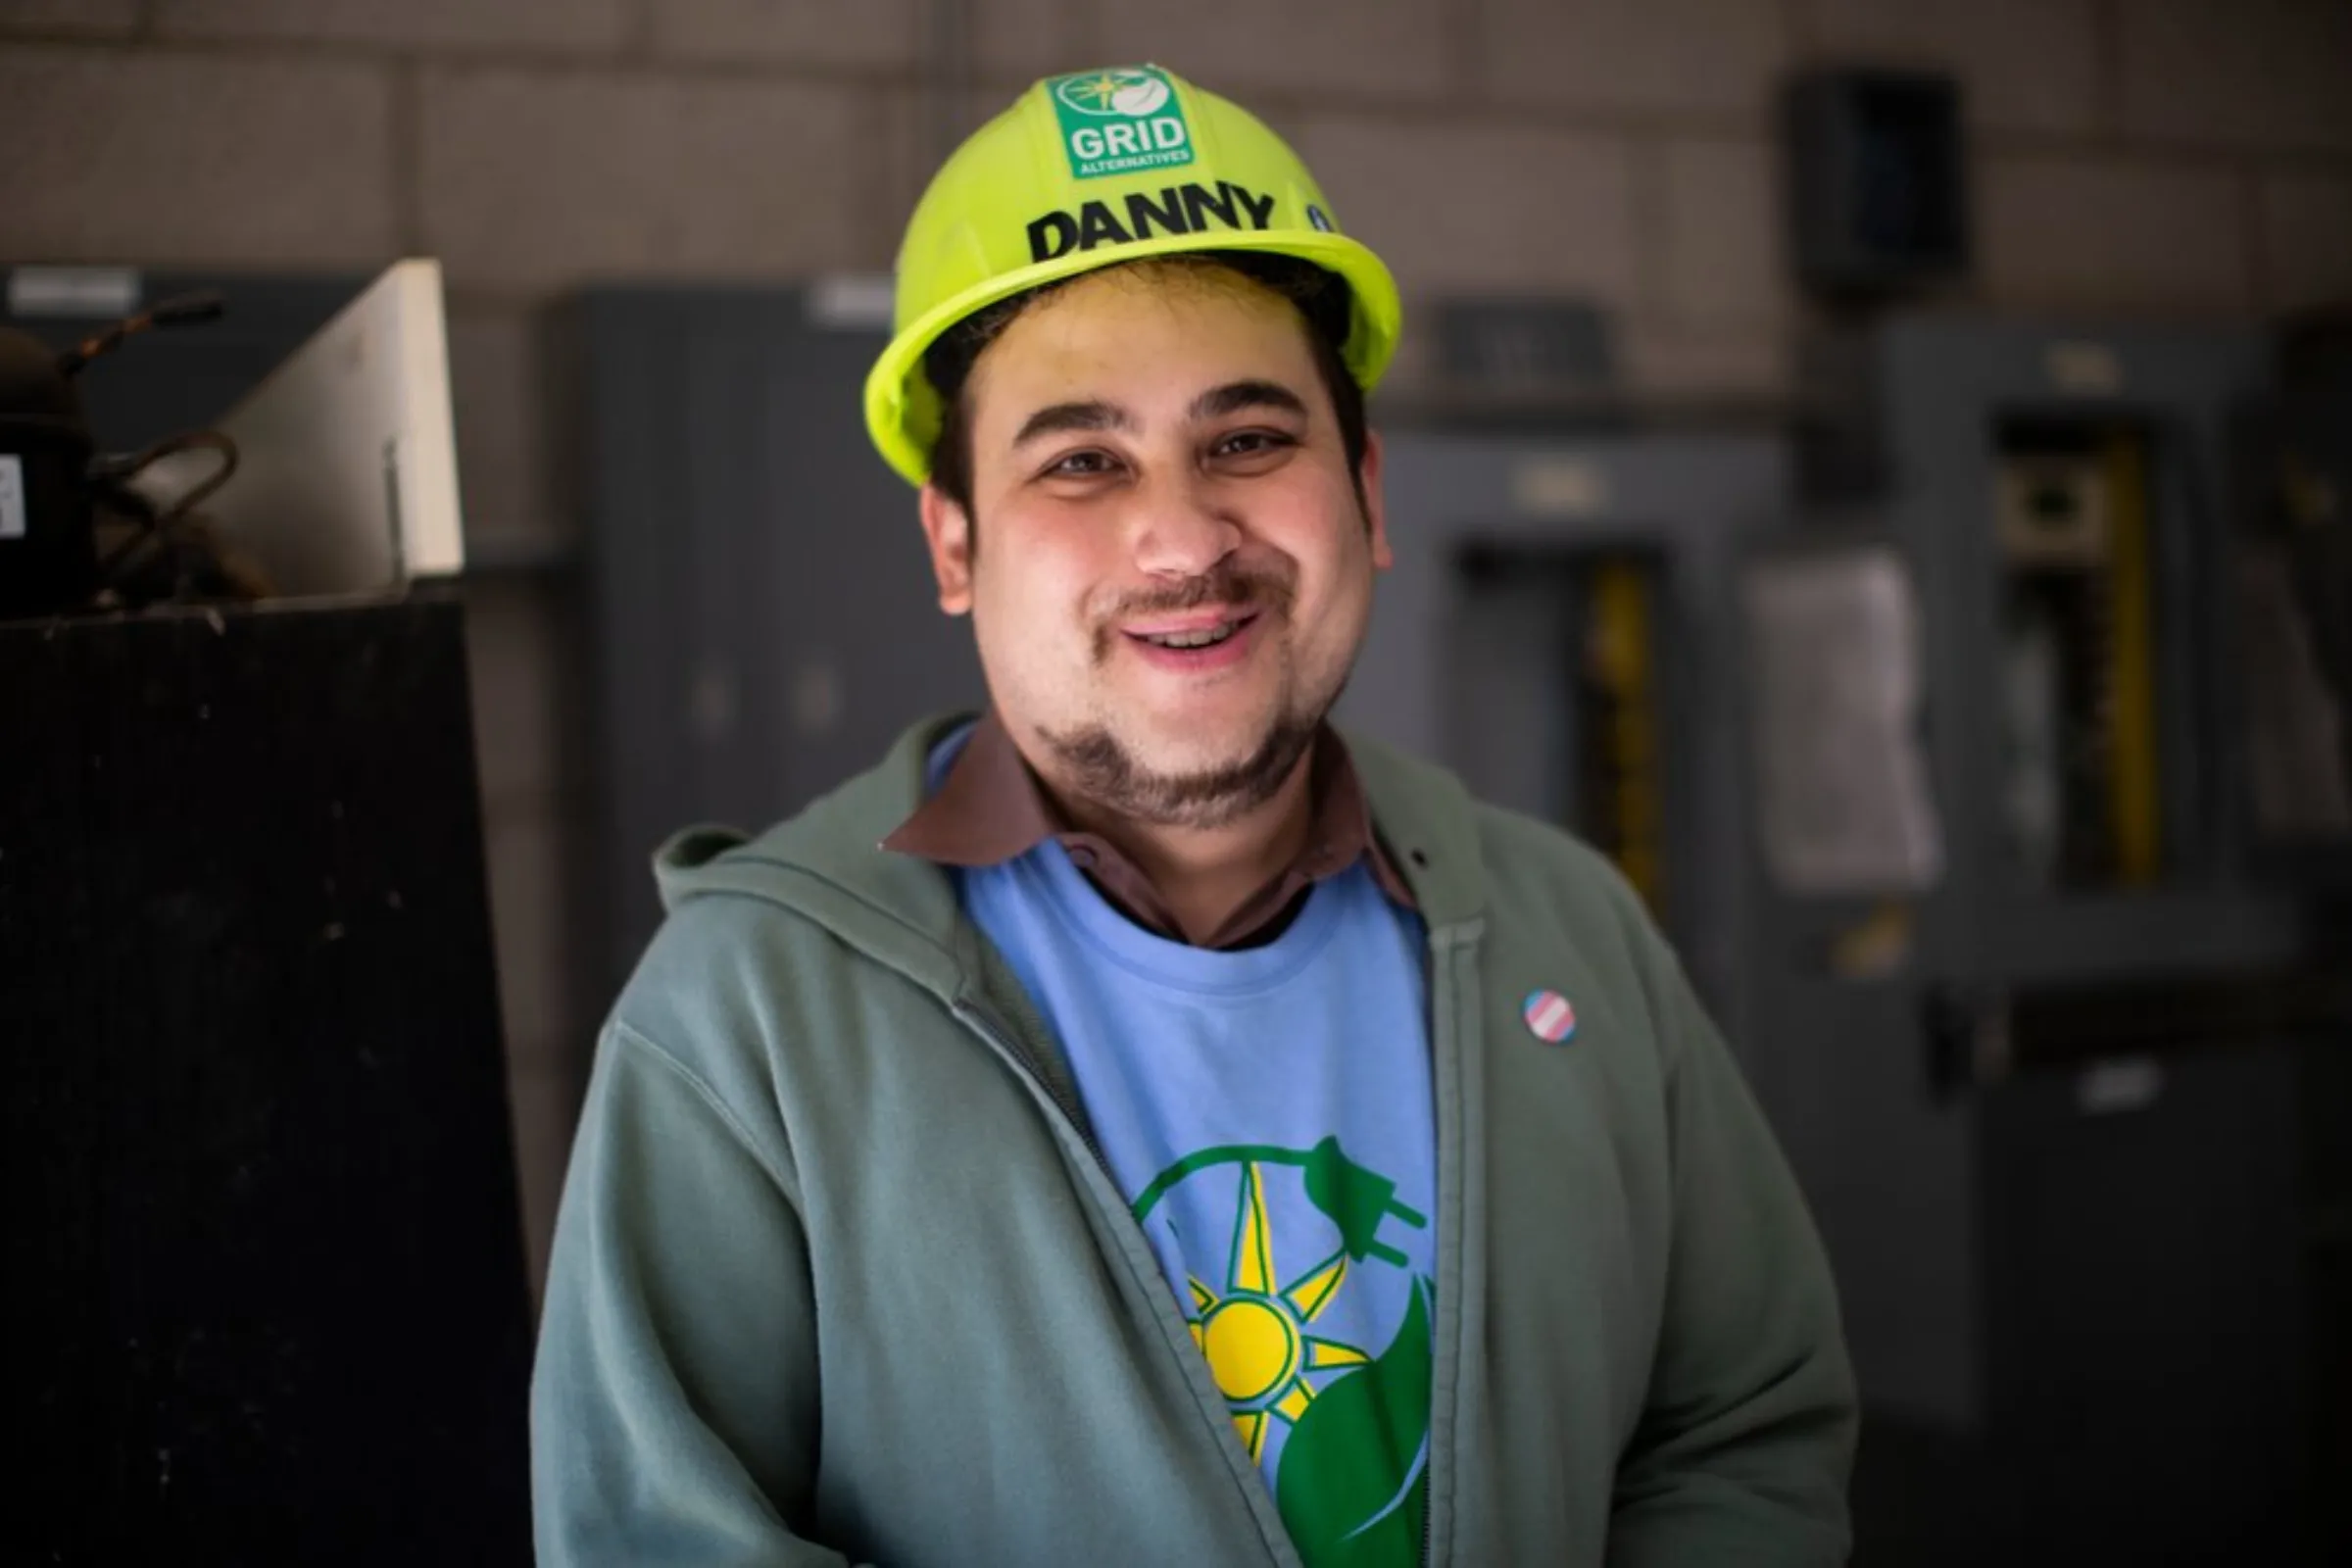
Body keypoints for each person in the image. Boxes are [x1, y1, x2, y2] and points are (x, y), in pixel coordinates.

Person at [532, 63, 1856, 1567]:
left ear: (1365, 489)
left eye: (1247, 441)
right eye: (1082, 461)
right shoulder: (748, 1022)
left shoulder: (1569, 940)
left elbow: (1741, 1433)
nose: (1180, 536)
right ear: (954, 542)